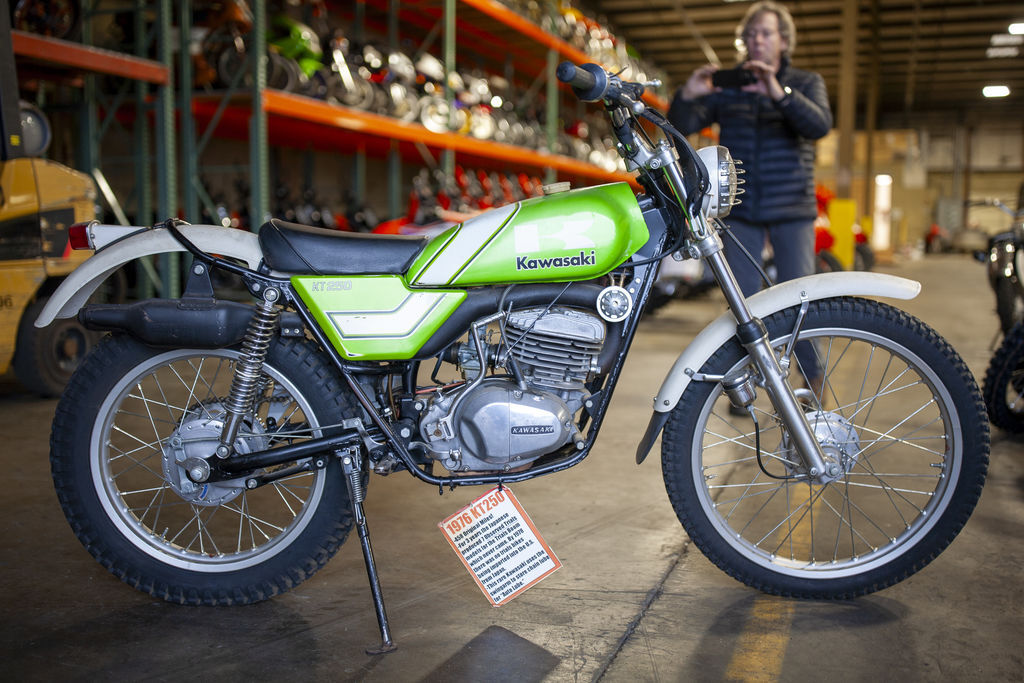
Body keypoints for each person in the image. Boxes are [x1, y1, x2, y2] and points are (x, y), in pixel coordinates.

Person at [668, 0, 832, 393]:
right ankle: (742, 381)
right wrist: (688, 94)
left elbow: (819, 126)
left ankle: (812, 378)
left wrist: (779, 92)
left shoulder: (806, 82)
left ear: (783, 41)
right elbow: (680, 126)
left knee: (799, 298)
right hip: (740, 208)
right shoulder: (731, 87)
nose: (757, 40)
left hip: (791, 207)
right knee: (740, 300)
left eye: (766, 33)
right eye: (751, 34)